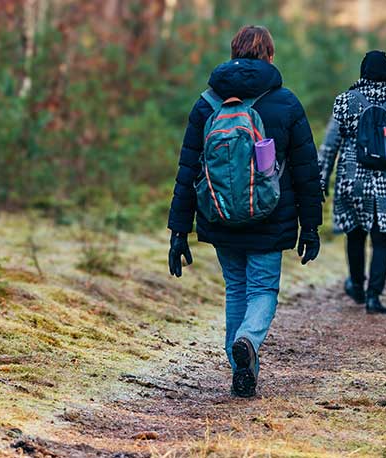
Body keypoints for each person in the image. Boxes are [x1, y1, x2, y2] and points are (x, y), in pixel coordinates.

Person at [166, 25, 323, 398]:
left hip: (218, 214)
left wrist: (178, 231)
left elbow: (189, 169)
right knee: (263, 288)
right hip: (270, 215)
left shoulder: (206, 103)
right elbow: (305, 170)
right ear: (269, 55)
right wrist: (311, 225)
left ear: (233, 51)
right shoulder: (286, 102)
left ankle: (241, 366)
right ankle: (248, 341)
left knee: (236, 289)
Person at [319, 50, 386, 314]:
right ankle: (374, 296)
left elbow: (329, 147)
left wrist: (320, 181)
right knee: (382, 239)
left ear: (363, 72)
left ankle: (357, 286)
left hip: (353, 180)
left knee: (355, 233)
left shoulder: (345, 101)